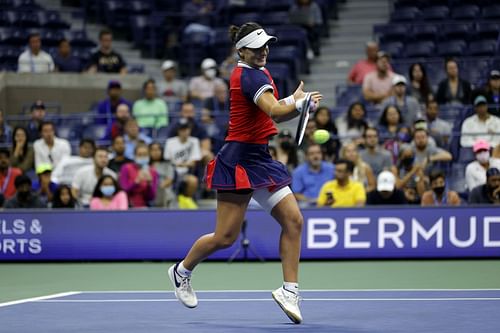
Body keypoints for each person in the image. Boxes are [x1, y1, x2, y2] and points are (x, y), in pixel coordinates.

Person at [167, 22, 322, 324]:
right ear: (242, 51)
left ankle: (290, 290)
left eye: (266, 45)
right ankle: (181, 270)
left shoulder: (260, 72)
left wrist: (301, 107)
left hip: (259, 159)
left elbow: (275, 111)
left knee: (293, 220)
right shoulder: (247, 76)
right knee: (225, 237)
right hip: (237, 162)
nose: (264, 51)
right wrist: (297, 102)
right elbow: (277, 110)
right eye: (257, 47)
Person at [119, 142, 158, 208]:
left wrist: (149, 184)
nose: (142, 157)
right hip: (127, 206)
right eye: (139, 154)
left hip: (145, 208)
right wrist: (136, 182)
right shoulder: (126, 168)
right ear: (134, 156)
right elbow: (122, 191)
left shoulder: (153, 171)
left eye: (145, 154)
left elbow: (151, 197)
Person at [149, 142, 176, 208]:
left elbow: (169, 180)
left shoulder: (168, 164)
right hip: (149, 190)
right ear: (149, 152)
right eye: (153, 150)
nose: (156, 152)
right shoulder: (146, 165)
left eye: (158, 149)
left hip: (164, 190)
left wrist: (157, 187)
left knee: (165, 192)